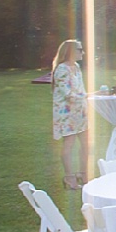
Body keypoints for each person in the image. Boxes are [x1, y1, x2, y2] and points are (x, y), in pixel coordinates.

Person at [51, 39, 88, 189]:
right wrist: (91, 95)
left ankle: (83, 173)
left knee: (86, 143)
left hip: (80, 112)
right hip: (66, 113)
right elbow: (68, 94)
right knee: (69, 144)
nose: (82, 52)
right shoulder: (61, 69)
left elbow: (80, 89)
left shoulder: (77, 67)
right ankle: (69, 177)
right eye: (80, 49)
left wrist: (87, 98)